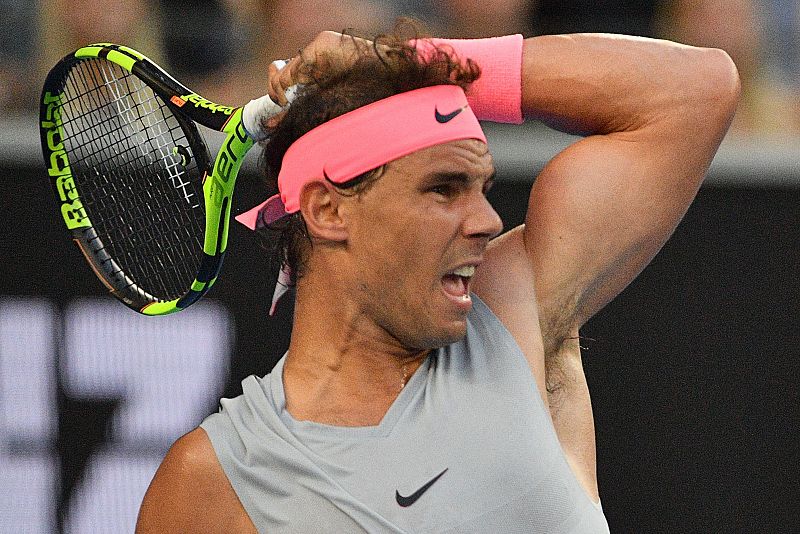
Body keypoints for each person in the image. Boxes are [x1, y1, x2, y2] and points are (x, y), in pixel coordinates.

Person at [135, 23, 740, 533]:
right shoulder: (214, 483)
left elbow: (696, 89)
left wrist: (411, 62)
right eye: (444, 189)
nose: (487, 220)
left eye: (481, 188)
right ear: (328, 210)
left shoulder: (518, 306)